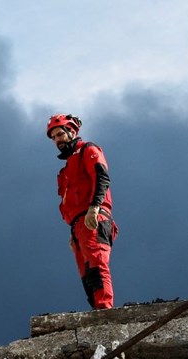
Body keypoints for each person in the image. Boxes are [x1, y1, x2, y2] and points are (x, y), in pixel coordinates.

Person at [47, 113, 119, 310]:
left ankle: (105, 310)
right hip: (78, 225)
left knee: (97, 264)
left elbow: (101, 176)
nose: (57, 141)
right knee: (86, 274)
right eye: (53, 138)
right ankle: (97, 310)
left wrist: (94, 208)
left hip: (93, 216)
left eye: (59, 134)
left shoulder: (88, 149)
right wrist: (73, 231)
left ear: (71, 132)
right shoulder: (66, 169)